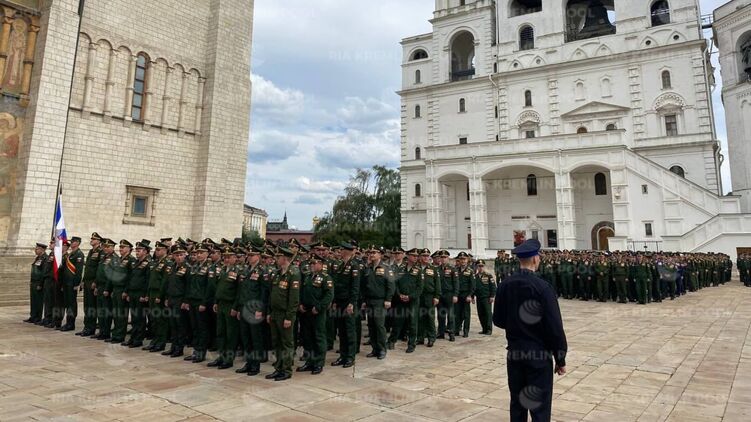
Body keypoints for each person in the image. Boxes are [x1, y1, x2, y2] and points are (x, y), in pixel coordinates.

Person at [493, 239, 568, 422]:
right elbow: (554, 327)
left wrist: (516, 326)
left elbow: (498, 320)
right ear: (535, 259)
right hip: (538, 355)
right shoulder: (543, 287)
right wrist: (560, 358)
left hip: (515, 353)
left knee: (517, 404)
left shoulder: (505, 284)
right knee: (539, 407)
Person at [266, 247, 301, 382]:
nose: (276, 259)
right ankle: (278, 367)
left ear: (285, 258)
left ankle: (286, 370)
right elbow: (271, 295)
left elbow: (294, 299)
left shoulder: (293, 274)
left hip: (285, 314)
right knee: (277, 342)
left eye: (278, 257)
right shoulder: (276, 273)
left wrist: (289, 317)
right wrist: (269, 312)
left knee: (286, 343)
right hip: (275, 313)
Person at [297, 251, 334, 374]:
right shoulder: (308, 277)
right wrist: (300, 304)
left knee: (318, 337)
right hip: (306, 311)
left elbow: (329, 295)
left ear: (321, 264)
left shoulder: (326, 277)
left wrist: (319, 307)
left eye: (314, 263)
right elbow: (302, 292)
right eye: (311, 263)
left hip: (317, 312)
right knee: (307, 338)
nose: (312, 265)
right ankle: (309, 362)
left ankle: (318, 363)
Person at [76, 233, 102, 337]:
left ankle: (91, 328)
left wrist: (96, 282)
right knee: (86, 306)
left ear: (98, 241)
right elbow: (87, 268)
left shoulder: (100, 252)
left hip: (93, 282)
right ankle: (86, 327)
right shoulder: (91, 251)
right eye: (91, 238)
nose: (91, 240)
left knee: (91, 306)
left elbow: (99, 269)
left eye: (94, 239)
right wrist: (83, 280)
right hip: (87, 281)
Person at [60, 236, 84, 331]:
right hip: (66, 282)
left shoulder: (79, 254)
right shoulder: (70, 254)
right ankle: (68, 322)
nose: (71, 243)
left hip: (72, 283)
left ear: (77, 243)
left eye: (73, 241)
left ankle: (71, 324)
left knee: (71, 304)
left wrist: (76, 284)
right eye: (71, 241)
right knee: (67, 303)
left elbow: (78, 271)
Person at [25, 243, 48, 324]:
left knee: (38, 301)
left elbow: (44, 272)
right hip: (34, 282)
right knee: (33, 300)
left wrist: (40, 284)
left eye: (37, 249)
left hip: (38, 283)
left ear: (42, 249)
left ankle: (37, 317)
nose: (35, 250)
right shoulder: (38, 258)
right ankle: (33, 316)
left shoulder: (45, 258)